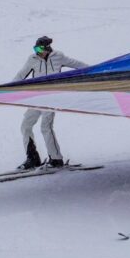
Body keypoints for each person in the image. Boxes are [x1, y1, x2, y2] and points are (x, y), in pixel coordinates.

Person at [13, 36, 90, 169]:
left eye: (39, 48)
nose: (37, 51)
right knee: (26, 125)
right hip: (36, 98)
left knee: (45, 127)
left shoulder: (58, 56)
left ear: (47, 48)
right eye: (35, 48)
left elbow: (78, 65)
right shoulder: (32, 59)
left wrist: (96, 71)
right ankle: (32, 158)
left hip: (51, 98)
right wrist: (8, 89)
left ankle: (56, 158)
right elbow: (21, 75)